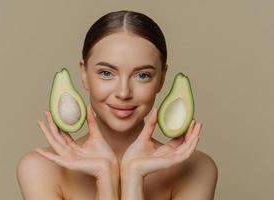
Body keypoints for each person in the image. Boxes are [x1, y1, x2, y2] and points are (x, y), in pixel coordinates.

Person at [16, 10, 218, 200]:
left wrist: (133, 175)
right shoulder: (40, 168)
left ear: (162, 79)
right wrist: (105, 174)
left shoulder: (197, 169)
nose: (123, 93)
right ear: (84, 74)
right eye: (106, 73)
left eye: (142, 75)